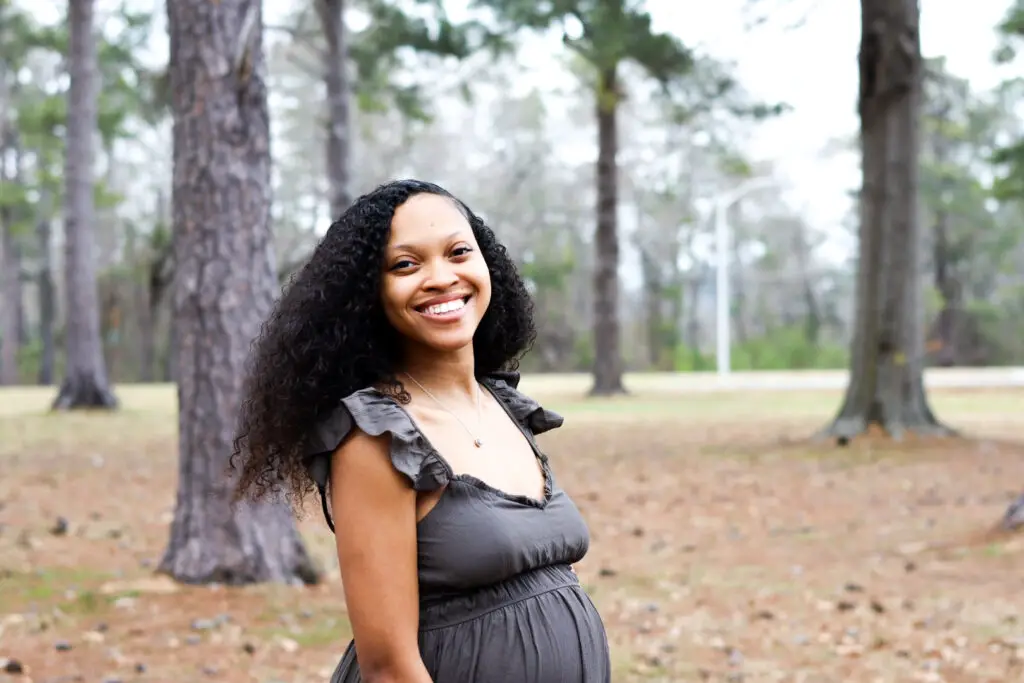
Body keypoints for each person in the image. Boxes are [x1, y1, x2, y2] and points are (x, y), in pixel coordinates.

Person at [231, 179, 610, 682]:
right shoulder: (375, 437)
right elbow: (389, 667)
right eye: (406, 265)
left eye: (458, 252)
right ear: (370, 294)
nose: (441, 278)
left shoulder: (503, 407)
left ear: (487, 264)